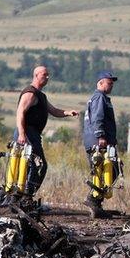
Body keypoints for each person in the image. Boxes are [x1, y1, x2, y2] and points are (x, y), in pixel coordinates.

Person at [14, 66, 79, 195]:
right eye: (44, 75)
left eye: (48, 75)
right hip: (27, 133)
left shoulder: (40, 95)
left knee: (38, 165)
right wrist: (22, 134)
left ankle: (26, 195)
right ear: (36, 76)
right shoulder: (30, 93)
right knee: (36, 165)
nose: (48, 77)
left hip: (34, 134)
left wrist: (67, 112)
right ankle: (24, 196)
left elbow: (54, 111)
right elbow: (20, 112)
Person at [82, 71, 118, 218]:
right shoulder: (99, 97)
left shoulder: (101, 98)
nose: (111, 86)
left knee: (106, 171)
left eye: (112, 83)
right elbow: (98, 117)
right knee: (107, 170)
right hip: (99, 141)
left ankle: (96, 204)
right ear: (100, 83)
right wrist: (101, 136)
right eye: (109, 83)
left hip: (100, 141)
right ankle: (93, 200)